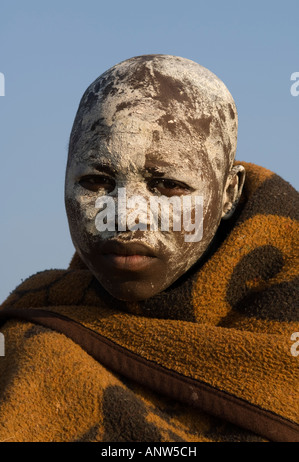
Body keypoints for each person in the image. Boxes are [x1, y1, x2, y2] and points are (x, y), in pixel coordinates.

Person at [0, 55, 298, 442]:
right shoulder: (30, 347)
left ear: (227, 194)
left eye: (168, 186)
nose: (126, 216)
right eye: (96, 181)